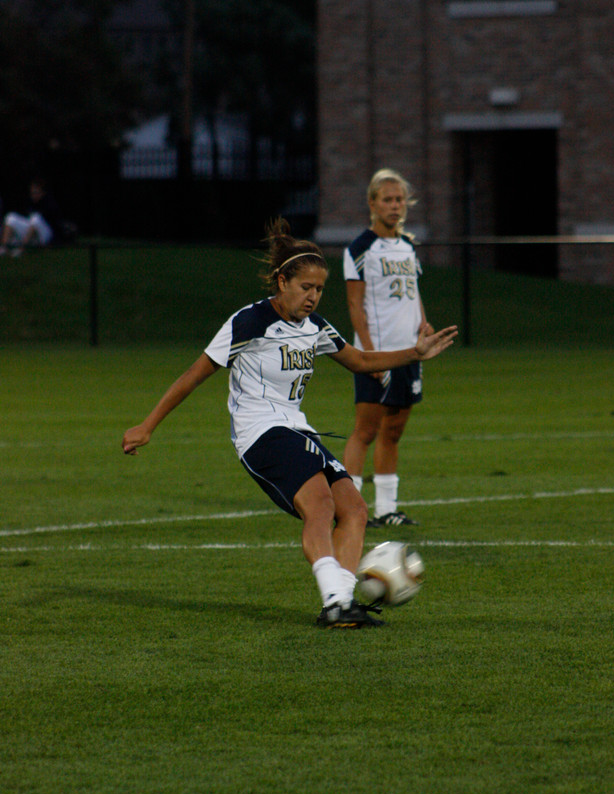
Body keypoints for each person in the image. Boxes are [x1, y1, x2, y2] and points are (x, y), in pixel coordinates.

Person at [121, 218, 457, 629]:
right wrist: (148, 424)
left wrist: (414, 353)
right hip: (259, 432)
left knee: (354, 509)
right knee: (320, 505)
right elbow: (194, 374)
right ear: (282, 281)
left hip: (296, 428)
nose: (313, 297)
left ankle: (342, 603)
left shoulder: (314, 328)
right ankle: (335, 599)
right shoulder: (250, 321)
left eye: (319, 289)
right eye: (306, 288)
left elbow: (362, 361)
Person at [342, 168, 432, 527]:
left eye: (399, 200)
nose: (395, 206)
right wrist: (367, 356)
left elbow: (414, 293)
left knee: (394, 431)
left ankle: (387, 510)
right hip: (377, 354)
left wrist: (423, 326)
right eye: (388, 200)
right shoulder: (361, 249)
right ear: (372, 203)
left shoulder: (408, 246)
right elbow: (354, 306)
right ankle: (350, 509)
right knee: (365, 431)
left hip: (409, 352)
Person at [0, 178, 62, 257]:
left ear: (42, 192)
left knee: (36, 218)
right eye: (32, 193)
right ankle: (4, 247)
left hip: (45, 235)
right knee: (11, 217)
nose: (34, 195)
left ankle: (22, 249)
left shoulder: (49, 203)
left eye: (36, 193)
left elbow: (54, 224)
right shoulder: (31, 203)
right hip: (32, 234)